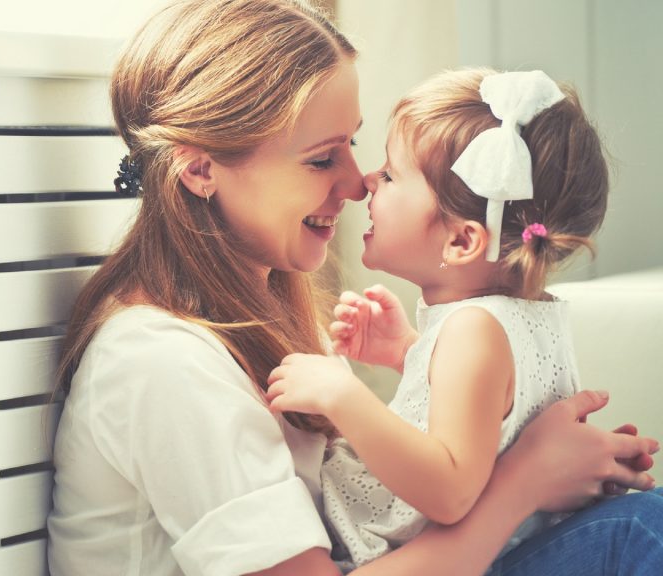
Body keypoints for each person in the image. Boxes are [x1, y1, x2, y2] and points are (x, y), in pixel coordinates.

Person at [46, 1, 661, 575]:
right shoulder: (164, 362)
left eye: (354, 145)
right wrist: (525, 481)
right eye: (321, 159)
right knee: (640, 528)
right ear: (202, 168)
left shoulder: (270, 320)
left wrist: (427, 366)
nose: (358, 183)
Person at [263, 68, 642, 571]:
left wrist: (344, 396)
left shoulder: (472, 331)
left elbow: (449, 492)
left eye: (393, 174)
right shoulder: (523, 316)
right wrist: (410, 353)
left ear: (462, 241)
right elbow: (492, 424)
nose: (369, 181)